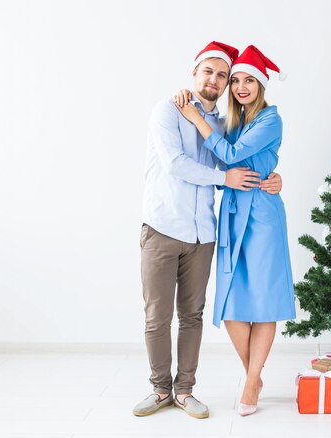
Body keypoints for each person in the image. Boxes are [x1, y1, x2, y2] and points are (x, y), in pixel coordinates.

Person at [134, 41, 283, 420]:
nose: (219, 81)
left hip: (205, 232)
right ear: (194, 73)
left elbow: (237, 164)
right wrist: (227, 177)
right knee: (158, 316)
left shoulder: (225, 122)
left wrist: (272, 178)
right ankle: (159, 389)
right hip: (164, 226)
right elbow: (179, 164)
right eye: (211, 73)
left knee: (194, 315)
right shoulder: (169, 110)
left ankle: (188, 390)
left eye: (225, 75)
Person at [175, 45, 295, 417]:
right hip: (230, 213)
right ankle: (253, 376)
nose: (241, 87)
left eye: (249, 80)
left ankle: (250, 383)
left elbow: (230, 155)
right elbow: (218, 160)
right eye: (237, 80)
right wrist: (194, 108)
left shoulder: (269, 119)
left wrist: (195, 117)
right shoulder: (232, 120)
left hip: (260, 216)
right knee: (229, 305)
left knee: (263, 303)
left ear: (261, 84)